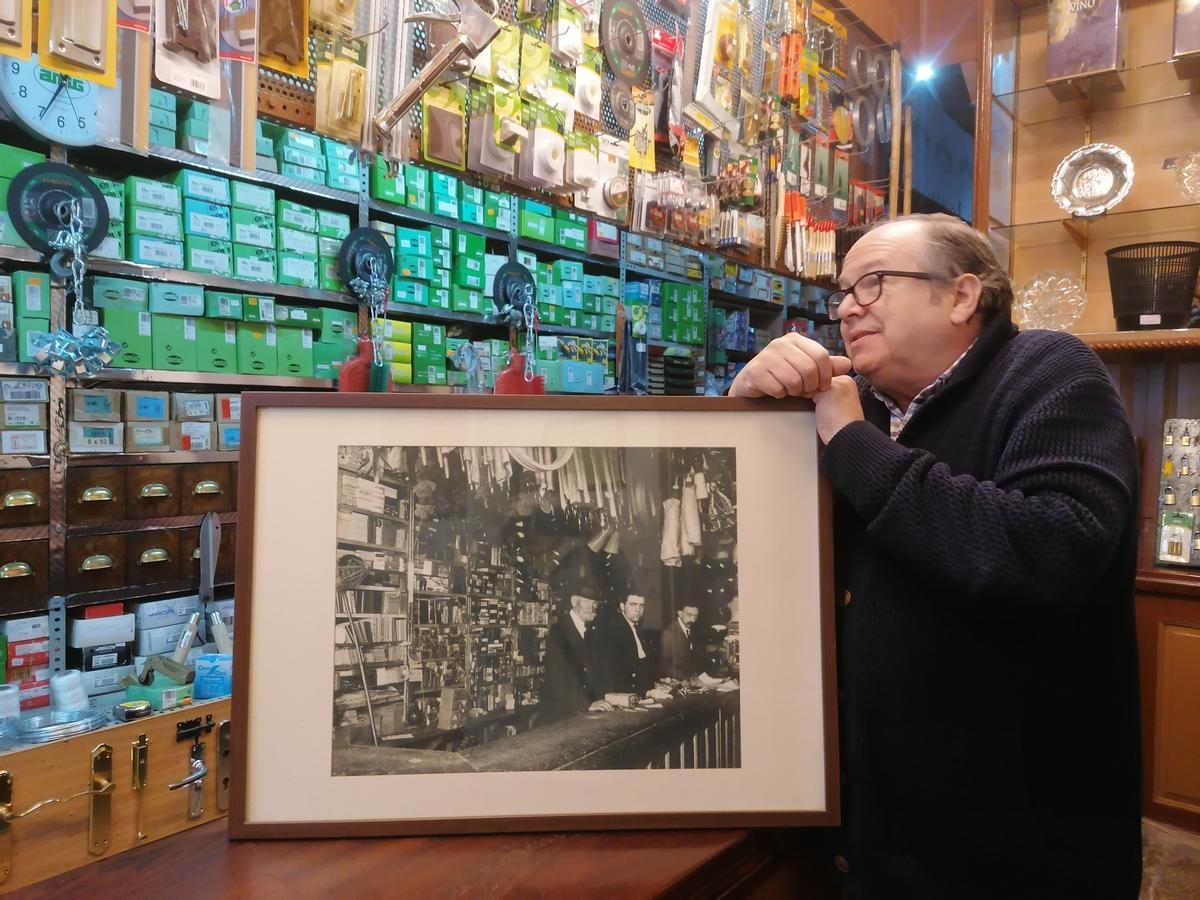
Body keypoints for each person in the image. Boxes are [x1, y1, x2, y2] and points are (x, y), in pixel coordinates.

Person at [731, 213, 1142, 897]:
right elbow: (753, 551)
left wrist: (850, 440)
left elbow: (1050, 553)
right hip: (868, 834)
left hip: (1015, 853)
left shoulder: (1049, 371)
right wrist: (746, 419)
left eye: (874, 283)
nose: (846, 308)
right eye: (841, 293)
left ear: (961, 296)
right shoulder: (855, 403)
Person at [539, 588, 614, 722]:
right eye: (586, 602)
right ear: (574, 602)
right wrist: (586, 704)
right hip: (564, 714)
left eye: (595, 603)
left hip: (587, 711)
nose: (592, 608)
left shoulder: (590, 631)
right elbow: (558, 680)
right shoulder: (559, 631)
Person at [603, 593, 654, 696]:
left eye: (641, 605)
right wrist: (645, 692)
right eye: (633, 604)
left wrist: (653, 686)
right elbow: (616, 673)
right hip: (623, 695)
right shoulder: (614, 630)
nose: (638, 609)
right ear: (622, 606)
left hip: (638, 692)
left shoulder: (637, 628)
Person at [659, 604, 700, 681]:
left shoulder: (691, 630)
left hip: (689, 680)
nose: (693, 620)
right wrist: (687, 678)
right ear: (680, 613)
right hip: (674, 681)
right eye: (689, 615)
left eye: (695, 616)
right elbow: (664, 666)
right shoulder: (669, 632)